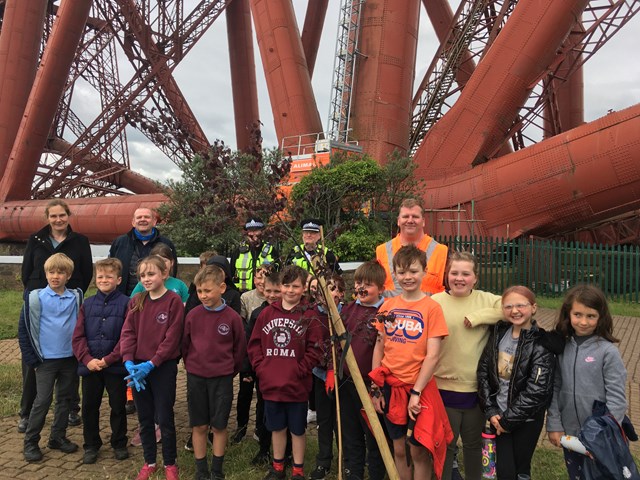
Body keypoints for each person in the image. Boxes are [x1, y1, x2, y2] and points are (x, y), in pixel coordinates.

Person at [370, 245, 452, 480]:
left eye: (413, 271)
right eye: (402, 272)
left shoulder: (432, 308)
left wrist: (416, 391)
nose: (408, 277)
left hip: (419, 390)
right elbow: (379, 345)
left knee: (418, 449)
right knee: (398, 447)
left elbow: (433, 355)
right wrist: (375, 387)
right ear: (394, 274)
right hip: (390, 387)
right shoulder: (387, 306)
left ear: (424, 272)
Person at [20, 199, 92, 431]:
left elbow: (87, 271)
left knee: (69, 359)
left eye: (62, 215)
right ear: (47, 218)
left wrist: (72, 292)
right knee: (34, 360)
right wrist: (37, 294)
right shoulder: (36, 239)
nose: (58, 220)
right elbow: (26, 271)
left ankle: (71, 408)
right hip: (40, 302)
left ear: (68, 216)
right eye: (54, 216)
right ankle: (27, 410)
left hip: (67, 299)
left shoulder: (80, 241)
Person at [477, 286, 561, 480]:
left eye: (520, 305)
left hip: (525, 421)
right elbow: (483, 371)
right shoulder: (498, 334)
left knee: (520, 471)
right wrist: (491, 411)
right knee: (503, 471)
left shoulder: (542, 343)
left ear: (533, 307)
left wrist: (509, 421)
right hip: (498, 417)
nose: (514, 311)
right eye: (508, 306)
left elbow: (537, 390)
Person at [431, 252, 502, 480]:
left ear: (475, 278)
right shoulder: (434, 302)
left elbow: (513, 308)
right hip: (443, 388)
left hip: (476, 391)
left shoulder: (488, 300)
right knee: (445, 446)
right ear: (446, 275)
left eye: (465, 273)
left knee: (473, 446)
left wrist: (480, 316)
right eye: (454, 273)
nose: (459, 278)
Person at [248, 265, 323, 480]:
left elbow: (315, 348)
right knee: (277, 428)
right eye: (286, 285)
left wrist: (300, 369)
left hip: (297, 386)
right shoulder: (266, 314)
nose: (290, 290)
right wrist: (263, 369)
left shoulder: (309, 315)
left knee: (297, 430)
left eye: (296, 286)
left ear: (303, 289)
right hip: (272, 385)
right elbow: (254, 345)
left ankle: (298, 470)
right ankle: (278, 467)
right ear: (280, 286)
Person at [546, 285, 628, 479]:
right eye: (578, 314)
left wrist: (600, 435)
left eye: (591, 316)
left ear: (601, 317)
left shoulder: (608, 352)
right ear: (568, 314)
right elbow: (555, 388)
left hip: (601, 438)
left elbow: (617, 400)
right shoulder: (561, 347)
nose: (583, 322)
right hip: (571, 436)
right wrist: (554, 425)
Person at [119, 255, 184, 480]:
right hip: (138, 370)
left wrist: (152, 363)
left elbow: (172, 337)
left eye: (151, 274)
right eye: (142, 275)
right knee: (144, 417)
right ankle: (150, 461)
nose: (146, 279)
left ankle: (170, 463)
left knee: (164, 416)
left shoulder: (173, 301)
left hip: (162, 367)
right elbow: (128, 333)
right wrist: (128, 360)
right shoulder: (136, 300)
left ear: (164, 274)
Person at [182, 265, 246, 480]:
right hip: (196, 377)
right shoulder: (192, 315)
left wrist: (228, 370)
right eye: (200, 291)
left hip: (222, 379)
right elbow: (185, 345)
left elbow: (239, 349)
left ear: (221, 288)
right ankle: (201, 470)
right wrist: (192, 365)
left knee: (219, 425)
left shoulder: (233, 318)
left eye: (207, 291)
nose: (203, 296)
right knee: (199, 424)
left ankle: (217, 470)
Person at [18, 253, 84, 462]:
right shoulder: (35, 298)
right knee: (42, 401)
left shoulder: (76, 297)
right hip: (45, 360)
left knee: (64, 400)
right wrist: (32, 359)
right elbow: (24, 329)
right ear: (45, 274)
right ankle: (31, 442)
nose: (55, 276)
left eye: (60, 272)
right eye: (51, 272)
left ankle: (57, 436)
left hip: (69, 358)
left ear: (69, 275)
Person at [71, 258, 130, 464]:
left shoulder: (127, 303)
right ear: (96, 279)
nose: (104, 279)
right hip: (91, 368)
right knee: (89, 407)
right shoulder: (87, 304)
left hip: (115, 367)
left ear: (118, 279)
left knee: (118, 406)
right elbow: (77, 337)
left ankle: (119, 442)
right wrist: (87, 360)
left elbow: (127, 337)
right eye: (100, 276)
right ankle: (91, 445)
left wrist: (108, 359)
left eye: (109, 276)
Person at [335, 261, 387, 480]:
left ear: (381, 289)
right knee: (351, 432)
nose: (361, 288)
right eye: (358, 283)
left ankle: (376, 473)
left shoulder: (385, 313)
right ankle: (353, 473)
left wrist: (377, 388)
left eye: (368, 284)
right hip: (347, 382)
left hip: (370, 385)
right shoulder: (348, 310)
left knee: (374, 435)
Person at [246, 270, 285, 467]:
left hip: (287, 374)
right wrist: (252, 369)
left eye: (276, 291)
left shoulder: (294, 313)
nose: (272, 295)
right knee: (263, 410)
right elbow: (250, 344)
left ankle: (285, 452)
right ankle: (264, 449)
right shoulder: (257, 314)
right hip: (264, 374)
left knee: (285, 412)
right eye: (268, 290)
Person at [308, 274, 345, 480]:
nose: (328, 294)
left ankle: (344, 459)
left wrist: (335, 368)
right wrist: (324, 368)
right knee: (324, 420)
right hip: (320, 376)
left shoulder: (347, 314)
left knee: (342, 421)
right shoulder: (312, 315)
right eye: (322, 290)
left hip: (343, 377)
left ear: (341, 293)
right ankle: (323, 460)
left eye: (333, 289)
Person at [375, 198, 448, 297]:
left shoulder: (442, 252)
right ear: (398, 221)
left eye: (415, 216)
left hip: (428, 311)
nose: (410, 220)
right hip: (390, 311)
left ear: (423, 221)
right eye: (405, 216)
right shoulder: (382, 251)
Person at [233, 263, 272, 445]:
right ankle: (241, 427)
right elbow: (242, 326)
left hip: (267, 355)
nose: (261, 280)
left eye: (266, 276)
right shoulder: (246, 298)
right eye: (258, 276)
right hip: (249, 351)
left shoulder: (274, 300)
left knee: (263, 395)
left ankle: (260, 428)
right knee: (245, 393)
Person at [109, 207, 178, 296]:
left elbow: (172, 270)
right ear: (133, 222)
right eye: (139, 217)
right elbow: (111, 268)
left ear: (154, 222)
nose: (143, 220)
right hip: (123, 297)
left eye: (146, 217)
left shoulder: (166, 243)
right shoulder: (119, 242)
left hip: (156, 297)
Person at [229, 217, 280, 293]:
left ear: (262, 232)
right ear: (247, 233)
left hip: (266, 295)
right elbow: (231, 274)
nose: (253, 234)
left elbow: (279, 275)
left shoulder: (271, 251)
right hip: (242, 295)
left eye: (256, 230)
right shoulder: (238, 251)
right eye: (251, 231)